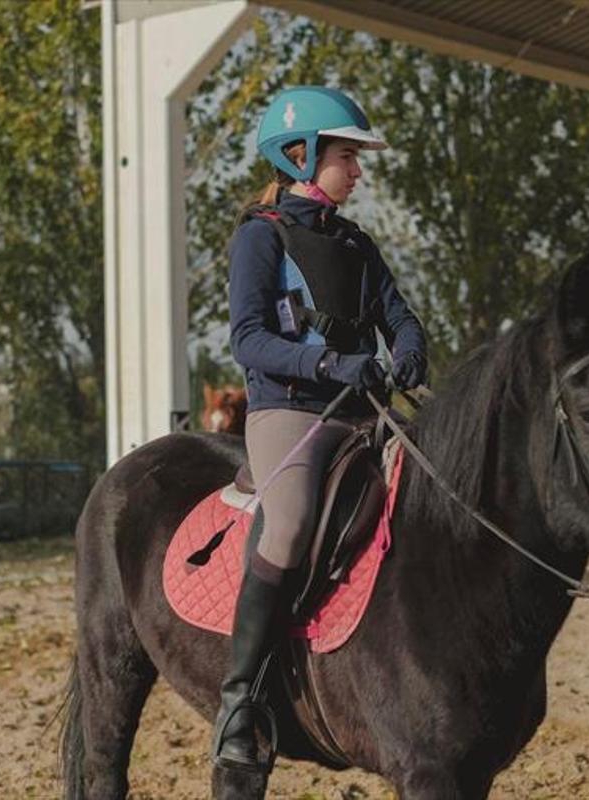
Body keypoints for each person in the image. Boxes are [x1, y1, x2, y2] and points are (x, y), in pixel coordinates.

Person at [213, 85, 427, 772]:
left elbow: (398, 316)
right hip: (289, 412)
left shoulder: (357, 242)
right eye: (347, 156)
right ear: (299, 154)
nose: (358, 171)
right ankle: (240, 701)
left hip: (364, 409)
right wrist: (328, 360)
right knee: (293, 520)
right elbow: (247, 340)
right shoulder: (260, 236)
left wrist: (411, 350)